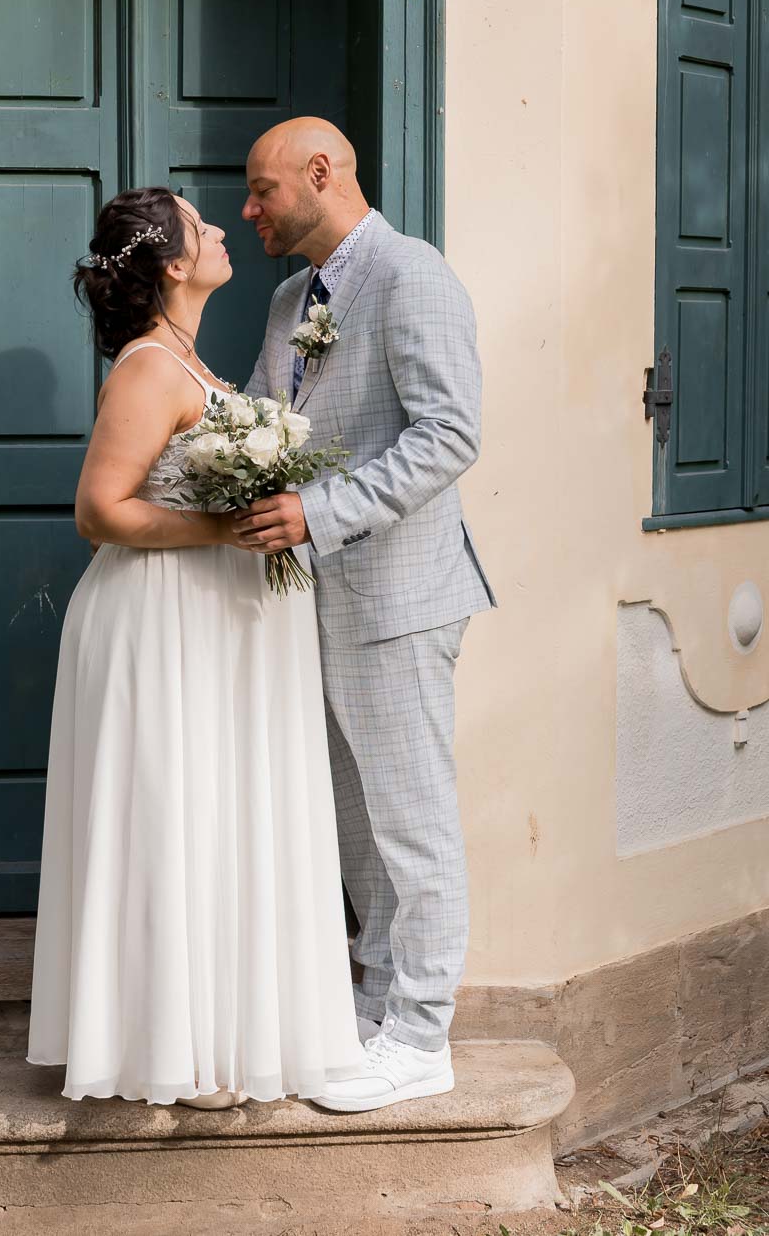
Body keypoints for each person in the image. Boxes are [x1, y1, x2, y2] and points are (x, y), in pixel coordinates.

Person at [26, 185, 364, 1108]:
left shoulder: (195, 361)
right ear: (175, 264)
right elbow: (101, 512)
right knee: (169, 812)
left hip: (218, 628)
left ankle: (218, 1034)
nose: (221, 229)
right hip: (160, 622)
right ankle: (164, 1047)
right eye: (200, 223)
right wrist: (224, 531)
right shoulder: (148, 369)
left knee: (217, 811)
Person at [236, 118, 496, 1113]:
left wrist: (321, 511)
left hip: (400, 596)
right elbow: (269, 420)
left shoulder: (412, 276)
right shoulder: (287, 299)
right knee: (357, 828)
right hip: (315, 601)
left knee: (411, 822)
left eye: (262, 191)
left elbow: (448, 434)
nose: (249, 210)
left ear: (320, 172)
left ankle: (422, 1037)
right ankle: (378, 1006)